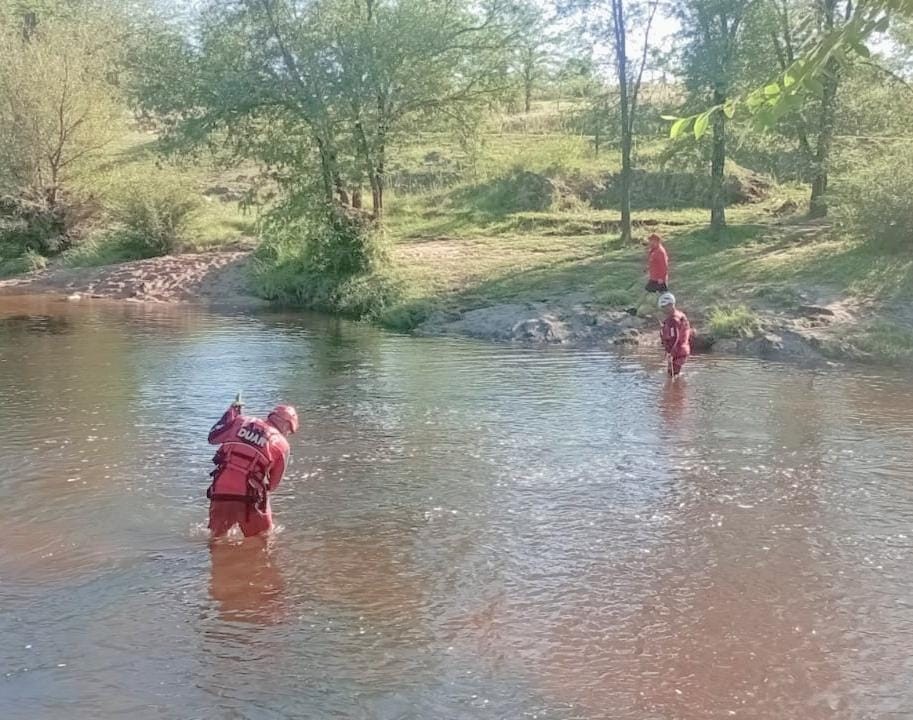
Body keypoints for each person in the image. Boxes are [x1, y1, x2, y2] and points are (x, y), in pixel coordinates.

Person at [206, 398, 298, 538]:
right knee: (265, 538)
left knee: (216, 538)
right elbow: (273, 485)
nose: (287, 434)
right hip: (249, 498)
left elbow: (213, 438)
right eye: (290, 431)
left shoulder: (240, 420)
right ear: (286, 424)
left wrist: (230, 413)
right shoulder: (282, 445)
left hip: (220, 492)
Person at [658, 292, 691, 378]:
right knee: (674, 375)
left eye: (664, 307)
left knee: (672, 375)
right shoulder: (680, 315)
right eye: (662, 307)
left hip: (678, 351)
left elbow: (675, 337)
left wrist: (670, 352)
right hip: (682, 349)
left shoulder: (673, 319)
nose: (663, 310)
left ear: (671, 305)